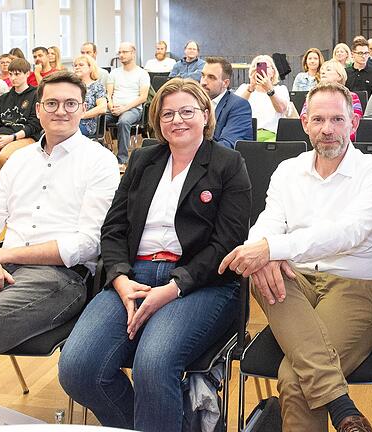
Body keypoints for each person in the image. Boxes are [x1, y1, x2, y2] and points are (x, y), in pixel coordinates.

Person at [59, 77, 250, 431]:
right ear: (157, 121)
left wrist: (174, 288)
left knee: (154, 363)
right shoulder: (144, 159)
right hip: (133, 276)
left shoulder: (228, 163)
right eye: (167, 114)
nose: (177, 120)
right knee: (78, 369)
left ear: (206, 115)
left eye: (187, 111)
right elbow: (113, 228)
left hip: (200, 281)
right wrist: (118, 278)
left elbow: (228, 242)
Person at [220, 82, 372, 432]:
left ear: (353, 123)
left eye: (337, 120)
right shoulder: (288, 170)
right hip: (296, 281)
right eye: (319, 120)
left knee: (295, 381)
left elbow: (348, 233)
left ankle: (341, 407)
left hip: (355, 286)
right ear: (304, 123)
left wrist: (272, 249)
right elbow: (268, 221)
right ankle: (343, 408)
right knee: (264, 272)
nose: (328, 129)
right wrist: (262, 251)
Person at [0, 71, 120, 364]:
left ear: (83, 108)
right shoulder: (19, 160)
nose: (60, 111)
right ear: (38, 110)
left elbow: (87, 244)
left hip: (59, 277)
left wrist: (2, 255)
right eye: (51, 103)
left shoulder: (100, 161)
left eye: (70, 104)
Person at [105, 42, 150, 165]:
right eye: (119, 52)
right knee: (98, 119)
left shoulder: (142, 73)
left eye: (124, 52)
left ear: (133, 53)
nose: (121, 55)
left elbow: (143, 97)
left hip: (133, 109)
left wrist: (124, 108)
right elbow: (108, 94)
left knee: (123, 122)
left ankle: (122, 159)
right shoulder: (114, 73)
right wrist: (111, 106)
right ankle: (104, 155)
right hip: (114, 108)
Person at [300, 60, 363, 141]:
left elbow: (354, 127)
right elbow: (305, 120)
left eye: (328, 70)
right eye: (322, 70)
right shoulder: (313, 97)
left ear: (340, 76)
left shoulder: (352, 97)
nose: (323, 72)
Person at [200, 56, 253, 149]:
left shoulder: (239, 106)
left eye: (211, 77)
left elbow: (227, 145)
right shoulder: (193, 102)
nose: (203, 82)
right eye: (203, 75)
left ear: (225, 83)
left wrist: (194, 154)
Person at [235, 55, 289, 142]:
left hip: (273, 136)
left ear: (273, 72)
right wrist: (250, 88)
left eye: (266, 67)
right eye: (257, 67)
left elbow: (281, 109)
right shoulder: (244, 88)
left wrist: (270, 90)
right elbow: (236, 109)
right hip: (247, 135)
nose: (261, 70)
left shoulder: (281, 89)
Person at [72, 55, 107, 138]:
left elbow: (102, 108)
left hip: (86, 124)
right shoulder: (72, 86)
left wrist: (81, 116)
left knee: (64, 132)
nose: (77, 67)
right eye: (75, 65)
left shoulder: (97, 86)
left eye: (81, 65)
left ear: (90, 68)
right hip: (69, 121)